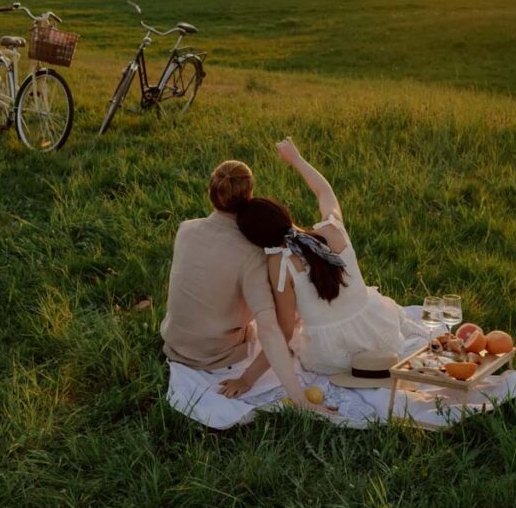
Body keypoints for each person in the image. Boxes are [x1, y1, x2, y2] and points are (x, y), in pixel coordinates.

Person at [236, 138, 419, 379]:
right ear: (283, 213)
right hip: (379, 335)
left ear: (259, 242)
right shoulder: (332, 231)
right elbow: (324, 191)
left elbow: (285, 329)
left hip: (329, 357)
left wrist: (246, 379)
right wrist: (296, 159)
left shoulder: (280, 264)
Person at [160, 159, 321, 410]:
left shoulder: (185, 230)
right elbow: (270, 330)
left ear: (211, 193)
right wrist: (297, 398)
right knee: (293, 320)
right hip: (217, 356)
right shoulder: (253, 254)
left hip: (175, 344)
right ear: (250, 196)